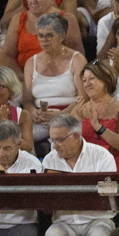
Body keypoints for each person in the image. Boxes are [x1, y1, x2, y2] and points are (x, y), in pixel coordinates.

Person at [42, 114, 118, 236]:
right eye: (52, 140)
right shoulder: (49, 160)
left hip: (97, 221)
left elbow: (109, 193)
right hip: (64, 223)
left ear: (76, 137)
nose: (54, 145)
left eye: (59, 139)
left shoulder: (101, 156)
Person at [25, 11, 84, 143]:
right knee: (20, 138)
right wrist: (33, 112)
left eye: (49, 36)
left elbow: (83, 97)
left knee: (61, 135)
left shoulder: (77, 59)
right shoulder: (31, 62)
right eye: (40, 36)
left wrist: (63, 114)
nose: (44, 40)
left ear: (62, 36)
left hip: (69, 116)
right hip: (41, 118)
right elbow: (27, 100)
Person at [68, 61, 119, 174]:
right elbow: (67, 146)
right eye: (84, 80)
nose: (87, 84)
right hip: (86, 166)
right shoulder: (78, 110)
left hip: (116, 165)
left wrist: (98, 127)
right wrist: (77, 125)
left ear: (106, 80)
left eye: (91, 78)